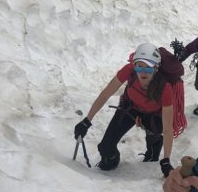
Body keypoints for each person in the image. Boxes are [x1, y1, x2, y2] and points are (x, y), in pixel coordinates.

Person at [74, 43, 179, 176]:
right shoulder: (129, 71)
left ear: (156, 68)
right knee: (105, 148)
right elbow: (106, 93)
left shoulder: (165, 88)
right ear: (134, 65)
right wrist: (87, 121)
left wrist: (166, 160)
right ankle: (112, 160)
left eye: (148, 68)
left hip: (153, 115)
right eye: (139, 66)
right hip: (130, 107)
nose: (142, 72)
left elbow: (168, 128)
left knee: (153, 150)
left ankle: (154, 145)